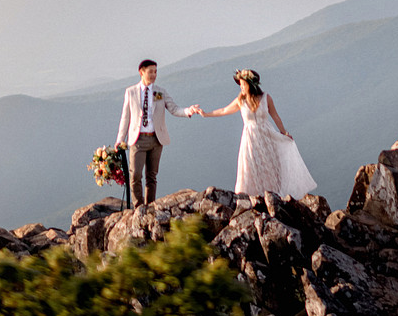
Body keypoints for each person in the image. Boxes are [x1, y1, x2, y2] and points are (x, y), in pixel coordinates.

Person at [196, 68, 316, 199]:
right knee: (251, 166)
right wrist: (206, 114)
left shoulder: (266, 98)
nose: (241, 87)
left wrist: (284, 132)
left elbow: (275, 116)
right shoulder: (240, 100)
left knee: (270, 166)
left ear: (251, 85)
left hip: (267, 136)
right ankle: (251, 197)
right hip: (250, 139)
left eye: (243, 84)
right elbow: (224, 110)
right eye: (240, 85)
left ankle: (274, 196)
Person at [116, 58, 199, 208]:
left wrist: (188, 111)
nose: (154, 75)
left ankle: (150, 207)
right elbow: (125, 117)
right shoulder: (131, 92)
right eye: (151, 72)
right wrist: (120, 139)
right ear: (141, 72)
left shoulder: (160, 92)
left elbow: (174, 109)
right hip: (138, 139)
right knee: (135, 175)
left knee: (151, 176)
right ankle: (138, 207)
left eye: (155, 71)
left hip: (156, 139)